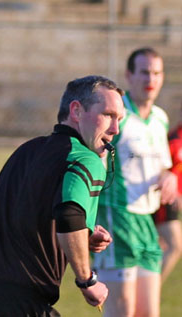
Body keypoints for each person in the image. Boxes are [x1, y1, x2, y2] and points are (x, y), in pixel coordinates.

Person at [0, 75, 125, 316]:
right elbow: (70, 216)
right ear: (76, 111)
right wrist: (87, 280)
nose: (115, 128)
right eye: (108, 115)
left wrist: (83, 235)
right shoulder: (86, 158)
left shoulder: (26, 150)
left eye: (119, 119)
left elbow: (31, 220)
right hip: (16, 301)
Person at [92, 47, 178, 317]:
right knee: (122, 310)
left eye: (156, 73)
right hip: (116, 218)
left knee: (149, 313)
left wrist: (170, 177)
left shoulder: (160, 119)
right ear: (129, 76)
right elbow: (94, 161)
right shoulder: (117, 115)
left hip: (146, 222)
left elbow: (163, 165)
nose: (149, 79)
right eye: (143, 72)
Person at [153, 104, 182, 282]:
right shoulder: (173, 139)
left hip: (173, 201)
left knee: (160, 248)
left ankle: (147, 288)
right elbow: (161, 170)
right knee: (175, 246)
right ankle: (152, 288)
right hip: (164, 201)